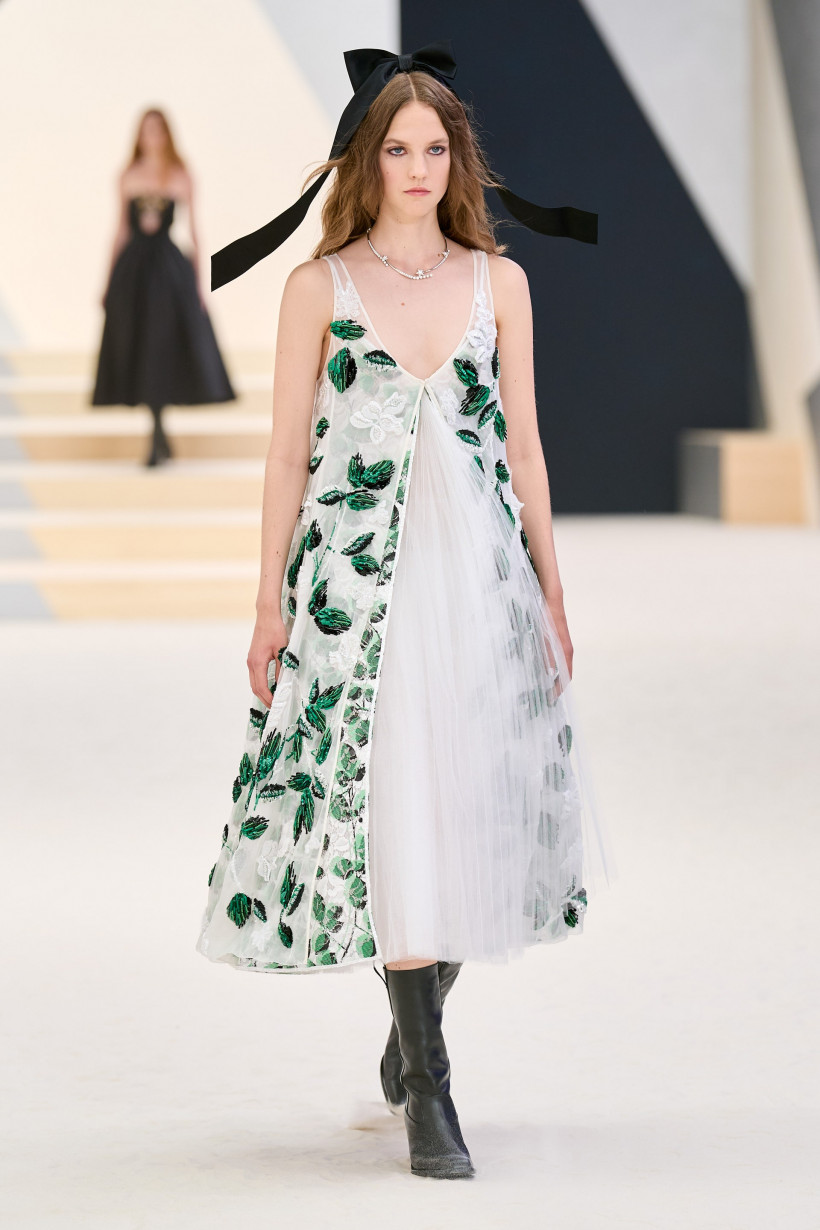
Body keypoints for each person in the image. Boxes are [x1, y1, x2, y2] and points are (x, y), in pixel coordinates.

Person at [197, 45, 610, 1181]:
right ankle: (431, 1085)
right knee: (392, 809)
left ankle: (407, 1021)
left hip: (480, 581)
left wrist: (551, 591)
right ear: (364, 159)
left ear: (455, 159)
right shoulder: (318, 288)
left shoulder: (498, 283)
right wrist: (269, 600)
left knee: (475, 806)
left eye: (435, 148)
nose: (419, 168)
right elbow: (287, 452)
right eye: (397, 148)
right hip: (355, 586)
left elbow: (525, 447)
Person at [92, 108, 235, 466]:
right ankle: (157, 434)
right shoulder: (128, 175)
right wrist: (107, 281)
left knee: (162, 346)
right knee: (140, 345)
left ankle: (158, 436)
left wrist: (200, 284)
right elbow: (120, 230)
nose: (152, 136)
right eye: (146, 130)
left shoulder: (181, 175)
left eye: (157, 130)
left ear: (167, 134)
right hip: (134, 271)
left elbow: (195, 232)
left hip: (170, 272)